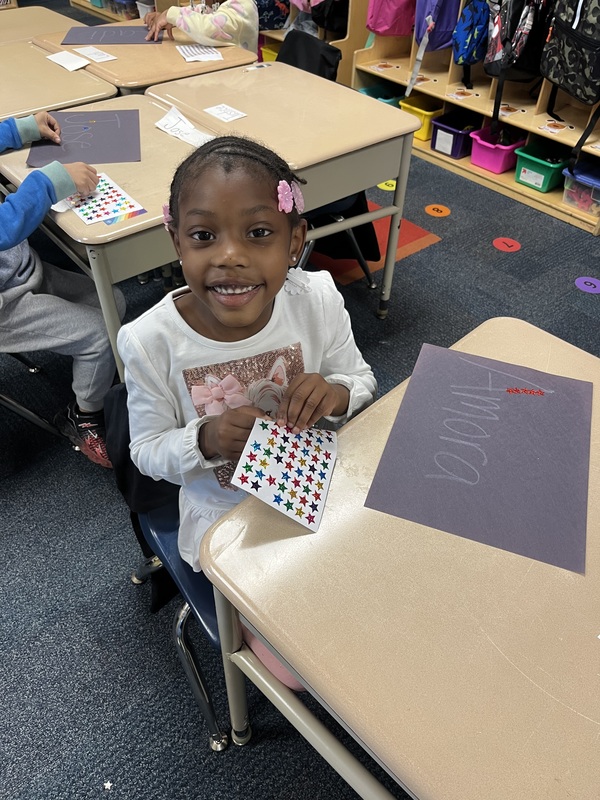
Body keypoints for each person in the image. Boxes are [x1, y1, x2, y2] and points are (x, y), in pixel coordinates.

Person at [117, 134, 376, 689]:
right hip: (225, 516)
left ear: (294, 240)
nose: (230, 256)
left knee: (377, 590)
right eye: (204, 235)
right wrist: (205, 438)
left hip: (319, 483)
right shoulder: (149, 342)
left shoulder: (318, 301)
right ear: (176, 242)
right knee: (304, 671)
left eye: (258, 233)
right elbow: (146, 454)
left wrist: (335, 392)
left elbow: (361, 380)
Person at [0, 112, 126, 469]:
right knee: (102, 335)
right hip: (4, 306)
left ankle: (95, 378)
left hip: (19, 270)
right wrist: (49, 182)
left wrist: (18, 129)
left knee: (112, 301)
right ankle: (83, 417)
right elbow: (4, 229)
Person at [144, 0, 259, 53]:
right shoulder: (219, 4)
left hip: (239, 83)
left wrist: (172, 14)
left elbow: (209, 28)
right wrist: (167, 18)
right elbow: (201, 12)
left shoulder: (243, 5)